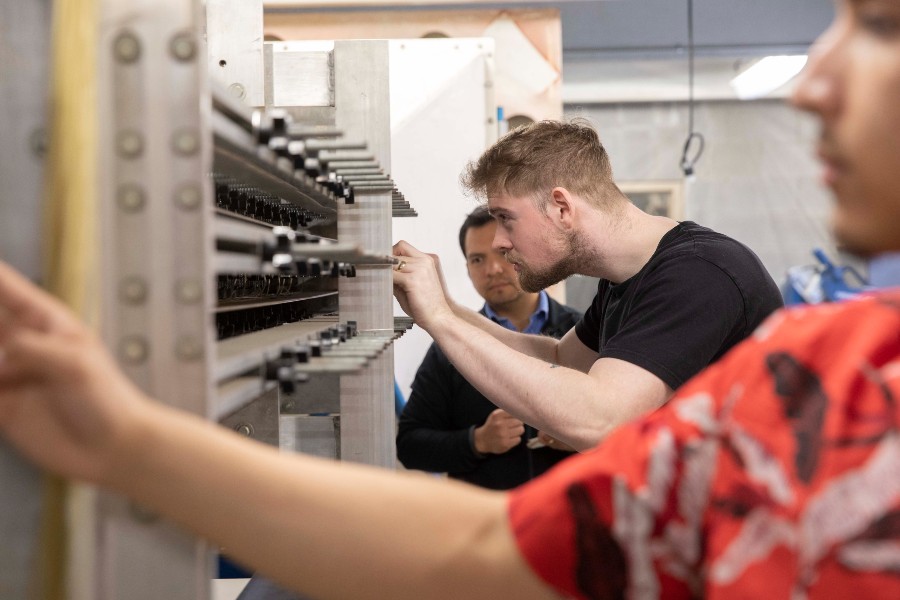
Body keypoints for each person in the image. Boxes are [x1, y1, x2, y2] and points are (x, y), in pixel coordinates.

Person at [0, 1, 898, 597]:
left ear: (561, 206)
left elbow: (592, 418)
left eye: (884, 22)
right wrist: (120, 437)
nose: (812, 84)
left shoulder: (701, 277)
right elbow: (542, 421)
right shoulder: (821, 372)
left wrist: (435, 316)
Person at [391, 119, 784, 451]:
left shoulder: (698, 274)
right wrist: (444, 308)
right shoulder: (627, 278)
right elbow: (562, 359)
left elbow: (600, 420)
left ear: (562, 208)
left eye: (506, 218)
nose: (498, 242)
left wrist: (443, 319)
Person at [397, 207, 581, 489]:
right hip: (487, 522)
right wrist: (477, 441)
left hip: (572, 516)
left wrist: (587, 438)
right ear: (468, 269)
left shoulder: (582, 333)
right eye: (478, 259)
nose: (493, 269)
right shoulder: (451, 346)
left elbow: (637, 430)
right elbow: (410, 446)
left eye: (503, 253)